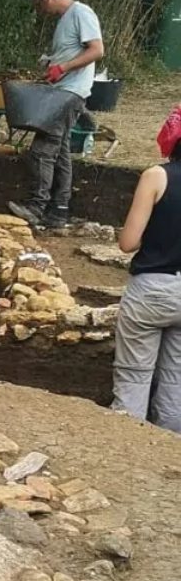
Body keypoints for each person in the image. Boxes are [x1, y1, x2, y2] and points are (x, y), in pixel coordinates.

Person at [8, 0, 104, 230]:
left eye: (40, 5)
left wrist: (63, 67)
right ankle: (59, 212)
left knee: (42, 149)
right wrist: (52, 62)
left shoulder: (81, 13)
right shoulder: (66, 20)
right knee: (60, 152)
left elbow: (96, 50)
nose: (42, 11)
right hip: (64, 90)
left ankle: (35, 207)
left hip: (70, 93)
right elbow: (71, 54)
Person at [110, 106, 181, 432]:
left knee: (134, 375)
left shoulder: (157, 176)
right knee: (176, 379)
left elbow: (128, 242)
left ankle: (127, 447)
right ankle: (167, 455)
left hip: (151, 290)